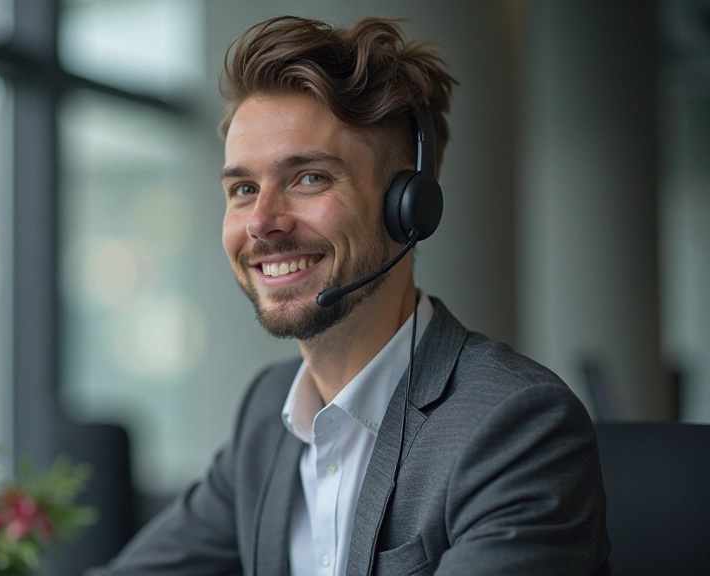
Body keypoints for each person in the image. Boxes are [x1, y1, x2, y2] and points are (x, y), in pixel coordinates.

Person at [90, 15, 611, 576]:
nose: (261, 221)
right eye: (243, 188)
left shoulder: (515, 423)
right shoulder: (268, 412)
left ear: (407, 207)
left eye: (309, 178)